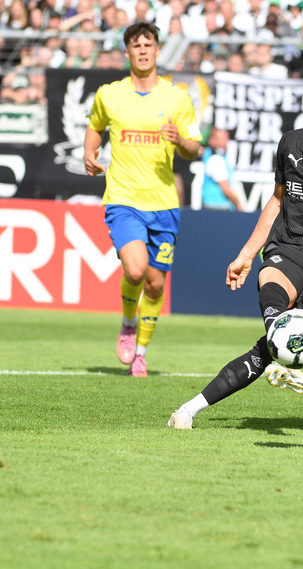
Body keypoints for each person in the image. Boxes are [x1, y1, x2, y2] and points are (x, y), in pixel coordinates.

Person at [168, 69, 303, 429]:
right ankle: (274, 361)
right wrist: (248, 254)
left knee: (269, 349)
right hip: (290, 247)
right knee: (277, 313)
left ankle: (188, 409)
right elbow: (277, 201)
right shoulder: (292, 145)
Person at [83, 22, 202, 378]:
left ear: (157, 50)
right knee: (134, 269)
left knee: (155, 282)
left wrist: (180, 141)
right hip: (123, 198)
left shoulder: (177, 98)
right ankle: (127, 324)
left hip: (164, 203)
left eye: (148, 44)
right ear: (127, 53)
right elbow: (95, 126)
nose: (143, 50)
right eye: (136, 46)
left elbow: (195, 148)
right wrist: (89, 153)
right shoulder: (109, 94)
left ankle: (142, 352)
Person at [200, 126, 243, 211]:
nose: (226, 142)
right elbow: (226, 189)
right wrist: (238, 204)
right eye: (222, 139)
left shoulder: (220, 157)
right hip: (216, 208)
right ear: (211, 141)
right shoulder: (216, 159)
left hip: (217, 207)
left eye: (226, 138)